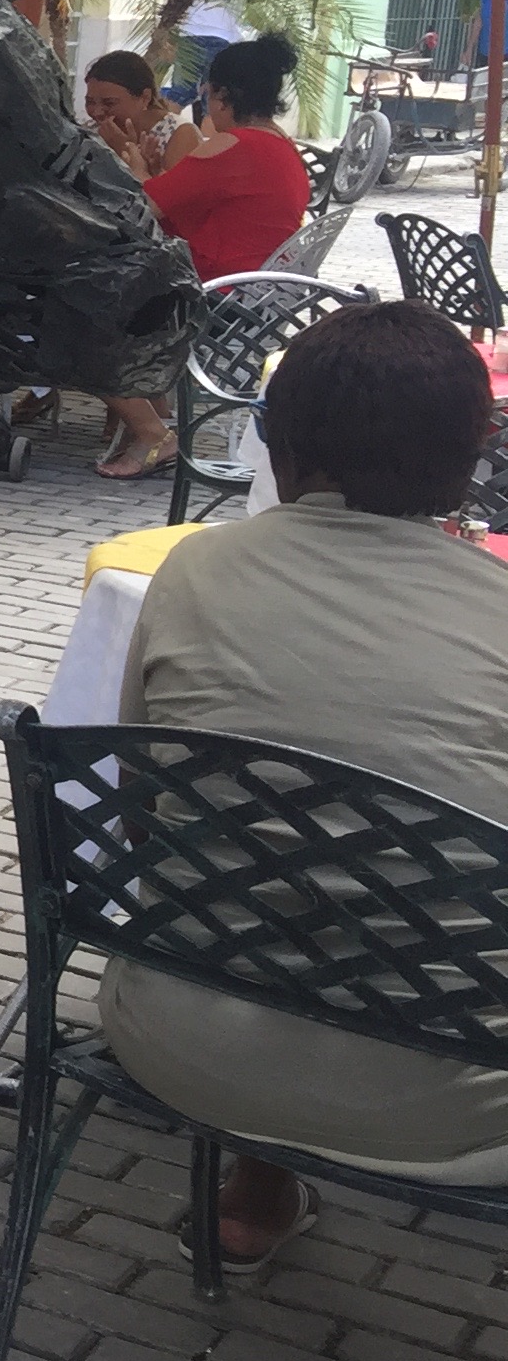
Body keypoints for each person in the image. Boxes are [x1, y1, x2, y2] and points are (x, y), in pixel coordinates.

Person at [95, 302, 508, 1267]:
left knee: (267, 880)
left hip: (181, 1043)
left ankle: (257, 1187)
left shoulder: (192, 572)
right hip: (453, 1098)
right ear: (472, 461)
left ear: (278, 450)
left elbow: (142, 812)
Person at [96, 35, 313, 479]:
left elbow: (142, 207)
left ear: (221, 95)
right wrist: (148, 172)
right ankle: (157, 420)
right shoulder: (282, 146)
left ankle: (154, 434)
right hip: (259, 301)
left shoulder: (229, 146)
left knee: (82, 318)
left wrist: (133, 165)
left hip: (215, 298)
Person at [84, 48, 193, 183]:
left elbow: (176, 193)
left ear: (145, 98)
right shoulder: (91, 132)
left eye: (109, 103)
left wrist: (125, 151)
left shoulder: (180, 134)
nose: (97, 112)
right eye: (90, 102)